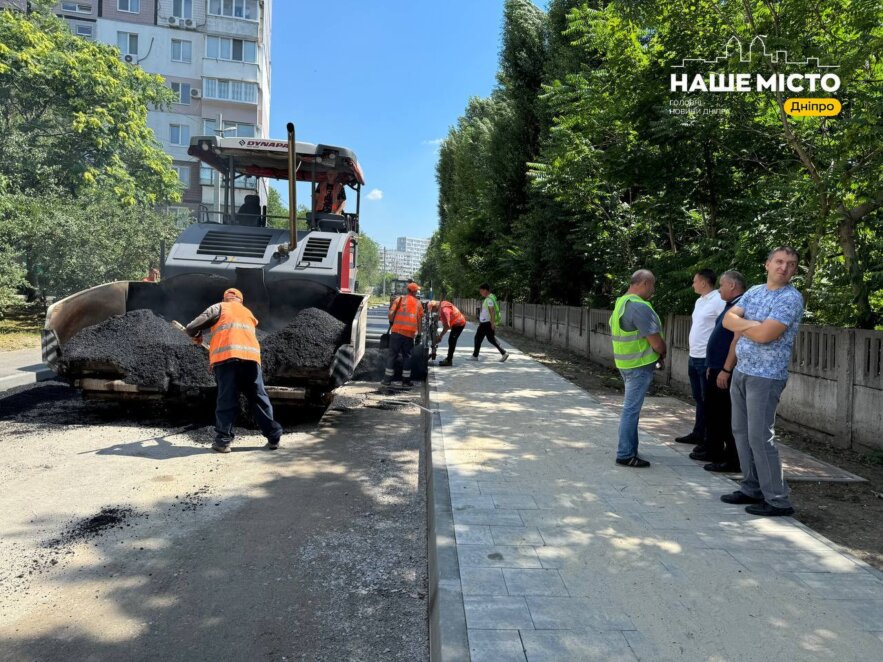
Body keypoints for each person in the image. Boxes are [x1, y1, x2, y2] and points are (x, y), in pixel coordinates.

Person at [721, 247, 804, 516]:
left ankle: (778, 499)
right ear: (767, 264)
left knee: (760, 437)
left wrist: (745, 324)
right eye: (779, 261)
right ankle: (751, 487)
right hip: (743, 371)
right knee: (741, 433)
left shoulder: (790, 299)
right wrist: (751, 324)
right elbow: (726, 320)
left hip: (766, 376)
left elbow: (766, 335)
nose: (784, 267)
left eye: (791, 264)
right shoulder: (754, 291)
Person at [185, 288, 283, 454]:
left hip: (227, 359)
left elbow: (191, 327)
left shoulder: (219, 307)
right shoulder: (248, 313)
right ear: (240, 301)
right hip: (251, 359)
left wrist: (197, 335)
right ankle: (274, 437)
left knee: (227, 398)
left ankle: (223, 441)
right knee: (258, 397)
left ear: (225, 298)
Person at [609, 270, 667, 468]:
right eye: (652, 286)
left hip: (625, 364)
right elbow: (656, 342)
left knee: (630, 409)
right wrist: (662, 351)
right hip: (639, 366)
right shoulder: (639, 307)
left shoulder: (621, 303)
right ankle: (625, 454)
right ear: (643, 283)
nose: (653, 290)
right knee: (631, 410)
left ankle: (631, 449)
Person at [698, 270, 747, 472]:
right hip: (716, 367)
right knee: (714, 412)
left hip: (725, 371)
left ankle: (732, 460)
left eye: (721, 285)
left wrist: (726, 369)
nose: (719, 289)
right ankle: (715, 451)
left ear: (732, 286)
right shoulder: (730, 306)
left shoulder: (740, 307)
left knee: (725, 415)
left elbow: (736, 340)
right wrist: (712, 364)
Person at [676, 269, 725, 455]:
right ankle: (698, 432)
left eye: (695, 281)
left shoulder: (718, 300)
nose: (693, 284)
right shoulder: (699, 301)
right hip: (694, 356)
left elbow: (724, 327)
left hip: (707, 358)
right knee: (698, 397)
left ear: (704, 283)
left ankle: (709, 439)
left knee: (709, 399)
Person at [383, 282, 424, 387]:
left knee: (392, 355)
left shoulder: (399, 299)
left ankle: (387, 380)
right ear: (414, 291)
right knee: (407, 357)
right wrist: (419, 334)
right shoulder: (418, 303)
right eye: (417, 290)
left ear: (407, 290)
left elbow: (390, 314)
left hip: (396, 332)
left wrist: (392, 321)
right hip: (409, 335)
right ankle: (405, 381)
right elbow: (419, 321)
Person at [471, 283, 509, 362]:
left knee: (479, 338)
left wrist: (492, 323)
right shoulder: (490, 298)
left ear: (485, 290)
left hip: (487, 323)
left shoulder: (489, 299)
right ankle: (504, 353)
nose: (481, 293)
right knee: (490, 339)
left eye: (481, 291)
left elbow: (492, 311)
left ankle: (475, 356)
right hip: (486, 322)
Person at [429, 300, 467, 366]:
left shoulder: (444, 311)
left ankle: (449, 360)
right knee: (451, 340)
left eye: (432, 310)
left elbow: (447, 326)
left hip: (459, 324)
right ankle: (448, 359)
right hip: (455, 322)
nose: (433, 312)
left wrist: (440, 336)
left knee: (452, 340)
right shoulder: (441, 304)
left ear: (435, 307)